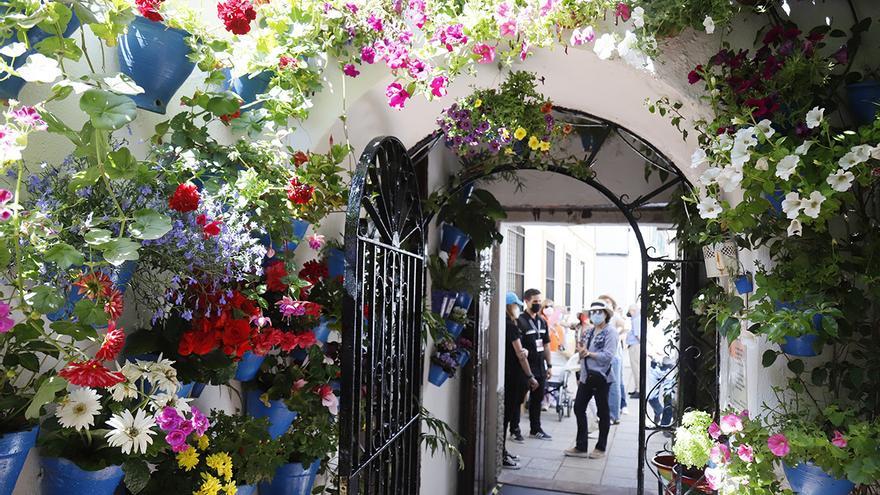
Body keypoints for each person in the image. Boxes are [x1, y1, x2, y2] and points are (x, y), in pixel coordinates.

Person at [565, 300, 617, 459]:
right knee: (578, 407)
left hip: (602, 378)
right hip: (587, 377)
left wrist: (589, 354)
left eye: (599, 312)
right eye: (593, 312)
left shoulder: (610, 332)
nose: (595, 315)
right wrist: (582, 355)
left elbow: (608, 356)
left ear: (606, 314)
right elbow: (582, 352)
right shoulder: (588, 331)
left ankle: (600, 447)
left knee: (603, 412)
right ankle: (581, 446)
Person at [503, 292, 539, 468]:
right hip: (514, 377)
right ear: (510, 307)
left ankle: (502, 451)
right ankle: (500, 453)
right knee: (507, 415)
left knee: (506, 415)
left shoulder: (505, 324)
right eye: (515, 305)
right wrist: (531, 376)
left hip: (507, 374)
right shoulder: (510, 326)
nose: (518, 308)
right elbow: (520, 354)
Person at [517, 288, 553, 440]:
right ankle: (514, 428)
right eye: (535, 302)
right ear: (526, 301)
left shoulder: (542, 321)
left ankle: (535, 428)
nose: (538, 304)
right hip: (524, 367)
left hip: (540, 366)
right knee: (518, 399)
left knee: (537, 399)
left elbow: (546, 345)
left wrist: (549, 365)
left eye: (539, 301)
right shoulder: (520, 321)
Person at [598, 295, 628, 423]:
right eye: (603, 302)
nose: (605, 304)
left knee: (614, 384)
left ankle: (613, 415)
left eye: (608, 302)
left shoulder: (614, 316)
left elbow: (625, 326)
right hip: (602, 354)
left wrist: (617, 334)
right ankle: (606, 413)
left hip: (614, 355)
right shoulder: (600, 317)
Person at [626, 304, 641, 398]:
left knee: (636, 368)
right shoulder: (636, 319)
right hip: (635, 345)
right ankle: (637, 388)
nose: (629, 313)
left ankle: (639, 389)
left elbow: (637, 335)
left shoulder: (636, 320)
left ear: (634, 310)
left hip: (635, 346)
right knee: (636, 368)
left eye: (630, 311)